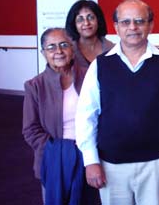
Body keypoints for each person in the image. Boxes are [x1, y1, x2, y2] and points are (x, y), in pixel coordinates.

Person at [75, 0, 159, 205]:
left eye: (140, 21)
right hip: (111, 165)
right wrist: (90, 161)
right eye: (125, 22)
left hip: (158, 164)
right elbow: (86, 116)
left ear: (151, 25)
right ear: (116, 27)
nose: (133, 27)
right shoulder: (100, 66)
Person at [22, 28, 99, 204]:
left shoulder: (91, 76)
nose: (58, 51)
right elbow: (30, 130)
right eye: (51, 47)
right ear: (43, 53)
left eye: (64, 45)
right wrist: (62, 151)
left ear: (72, 48)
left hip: (90, 157)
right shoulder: (34, 86)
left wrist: (87, 150)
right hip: (53, 160)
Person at [65, 0, 114, 67]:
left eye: (91, 18)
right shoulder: (68, 52)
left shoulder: (113, 50)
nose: (86, 23)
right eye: (80, 19)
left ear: (98, 20)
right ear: (74, 24)